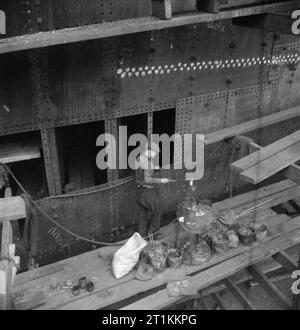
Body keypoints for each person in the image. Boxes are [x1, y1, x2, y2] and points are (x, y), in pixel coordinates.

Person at [135, 141, 174, 238]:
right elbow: (148, 179)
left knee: (142, 215)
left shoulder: (139, 158)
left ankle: (142, 236)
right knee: (157, 211)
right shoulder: (148, 163)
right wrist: (162, 180)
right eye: (154, 153)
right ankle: (154, 234)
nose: (155, 155)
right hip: (148, 193)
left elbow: (143, 172)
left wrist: (154, 168)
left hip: (139, 191)